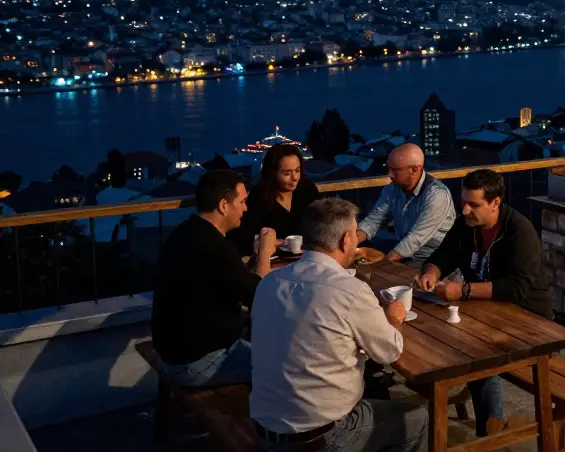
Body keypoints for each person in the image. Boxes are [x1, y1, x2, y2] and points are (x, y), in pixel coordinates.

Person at [251, 198, 427, 452]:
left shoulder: (270, 282)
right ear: (346, 240)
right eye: (355, 234)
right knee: (416, 419)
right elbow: (390, 351)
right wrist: (395, 317)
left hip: (266, 430)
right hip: (319, 438)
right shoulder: (349, 290)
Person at [414, 169, 550, 437]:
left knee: (475, 352)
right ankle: (488, 423)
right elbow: (443, 255)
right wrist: (430, 273)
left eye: (473, 204)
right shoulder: (467, 224)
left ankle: (489, 430)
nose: (465, 210)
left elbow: (516, 289)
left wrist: (463, 291)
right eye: (463, 201)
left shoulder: (519, 231)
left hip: (530, 319)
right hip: (488, 311)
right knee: (446, 337)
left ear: (495, 203)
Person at [151, 169, 273, 387]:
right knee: (283, 366)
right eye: (242, 201)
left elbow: (228, 280)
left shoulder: (186, 232)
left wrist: (254, 260)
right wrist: (265, 252)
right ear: (223, 206)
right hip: (200, 362)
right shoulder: (215, 246)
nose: (245, 208)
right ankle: (262, 420)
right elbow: (261, 297)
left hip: (177, 353)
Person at [356, 143, 455, 264]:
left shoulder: (437, 195)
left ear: (414, 169)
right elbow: (374, 220)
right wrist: (350, 243)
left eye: (395, 170)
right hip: (406, 250)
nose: (389, 175)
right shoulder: (393, 188)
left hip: (433, 259)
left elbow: (413, 240)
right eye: (388, 168)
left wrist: (382, 264)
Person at [232, 143, 320, 257]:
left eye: (297, 170)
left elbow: (323, 220)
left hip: (308, 256)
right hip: (274, 261)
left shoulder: (306, 188)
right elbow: (246, 237)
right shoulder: (259, 197)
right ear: (273, 173)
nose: (295, 177)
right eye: (287, 173)